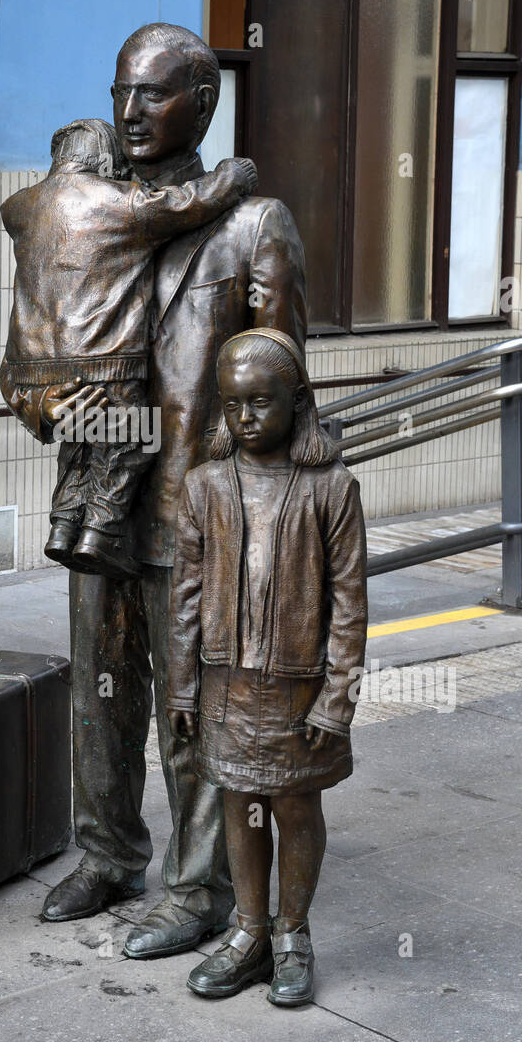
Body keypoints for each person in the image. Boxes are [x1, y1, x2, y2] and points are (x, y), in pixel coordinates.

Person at [1, 24, 307, 954]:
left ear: (203, 105)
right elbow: (26, 367)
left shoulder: (253, 225)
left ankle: (201, 887)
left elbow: (287, 381)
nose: (131, 112)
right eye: (122, 92)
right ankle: (105, 852)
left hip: (196, 509)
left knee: (190, 705)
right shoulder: (77, 208)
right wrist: (56, 406)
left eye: (155, 95)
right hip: (98, 498)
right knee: (99, 694)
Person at [167, 329, 367, 1004]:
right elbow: (184, 601)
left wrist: (337, 699)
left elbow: (349, 605)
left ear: (298, 400)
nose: (244, 417)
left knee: (293, 803)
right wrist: (183, 689)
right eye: (231, 403)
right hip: (226, 683)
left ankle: (292, 933)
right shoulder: (203, 486)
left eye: (260, 401)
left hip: (299, 688)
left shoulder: (332, 489)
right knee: (237, 800)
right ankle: (249, 933)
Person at [0, 117, 258, 579]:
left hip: (39, 367)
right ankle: (100, 531)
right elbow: (187, 203)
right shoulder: (117, 202)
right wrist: (230, 178)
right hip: (107, 360)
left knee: (80, 442)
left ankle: (63, 526)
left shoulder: (21, 208)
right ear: (102, 162)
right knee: (132, 438)